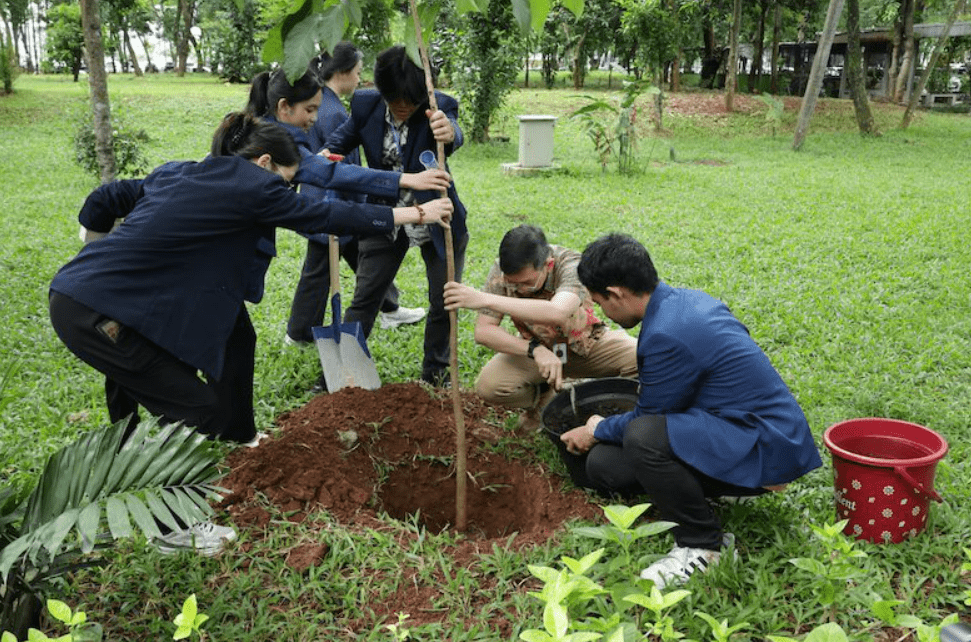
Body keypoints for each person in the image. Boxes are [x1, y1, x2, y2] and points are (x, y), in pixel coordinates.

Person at [49, 112, 452, 554]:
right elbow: (324, 212)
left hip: (105, 295)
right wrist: (416, 212)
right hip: (94, 313)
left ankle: (238, 433)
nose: (287, 190)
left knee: (238, 337)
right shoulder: (257, 187)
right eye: (287, 180)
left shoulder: (182, 170)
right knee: (194, 408)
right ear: (263, 163)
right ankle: (172, 528)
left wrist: (95, 246)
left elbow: (108, 196)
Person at [559, 233, 822, 588]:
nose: (603, 313)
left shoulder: (666, 333)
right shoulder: (685, 302)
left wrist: (595, 427)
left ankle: (703, 546)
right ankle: (710, 489)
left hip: (764, 445)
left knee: (642, 436)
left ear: (616, 293)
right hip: (743, 428)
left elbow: (645, 421)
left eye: (600, 303)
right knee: (606, 466)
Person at [245, 67, 448, 347]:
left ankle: (386, 307)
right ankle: (303, 330)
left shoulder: (266, 131)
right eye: (310, 109)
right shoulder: (272, 143)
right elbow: (329, 181)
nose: (315, 118)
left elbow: (324, 177)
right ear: (284, 107)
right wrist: (407, 184)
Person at [324, 44, 469, 386]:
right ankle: (343, 371)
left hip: (438, 216)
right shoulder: (365, 104)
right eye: (395, 99)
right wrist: (323, 157)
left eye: (411, 101)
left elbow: (454, 133)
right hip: (386, 216)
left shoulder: (438, 105)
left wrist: (450, 132)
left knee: (444, 300)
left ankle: (436, 373)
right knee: (365, 297)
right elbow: (339, 142)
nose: (403, 106)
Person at [285, 43, 426, 347]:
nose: (360, 79)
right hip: (334, 202)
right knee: (321, 268)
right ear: (343, 72)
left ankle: (389, 307)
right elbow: (343, 170)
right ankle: (298, 332)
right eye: (358, 73)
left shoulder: (327, 103)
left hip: (331, 199)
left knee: (365, 263)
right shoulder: (333, 111)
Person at [443, 225, 637, 430]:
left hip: (585, 344)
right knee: (489, 386)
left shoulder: (571, 264)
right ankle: (546, 401)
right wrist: (535, 350)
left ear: (548, 265)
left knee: (640, 356)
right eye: (513, 284)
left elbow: (557, 312)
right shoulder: (501, 271)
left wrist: (484, 299)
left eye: (525, 283)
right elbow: (484, 331)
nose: (519, 289)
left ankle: (610, 410)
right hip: (538, 351)